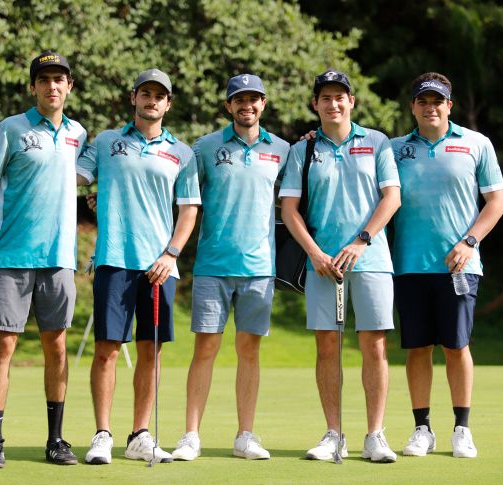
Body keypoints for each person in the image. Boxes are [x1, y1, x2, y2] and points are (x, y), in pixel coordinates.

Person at [0, 50, 86, 468]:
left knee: (57, 346)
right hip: (12, 255)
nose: (53, 85)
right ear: (33, 86)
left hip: (59, 258)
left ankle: (56, 440)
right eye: (45, 79)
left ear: (69, 86)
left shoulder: (78, 135)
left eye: (60, 79)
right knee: (4, 346)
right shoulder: (10, 129)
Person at [76, 68, 201, 465]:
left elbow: (189, 210)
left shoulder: (182, 152)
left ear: (168, 103)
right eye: (145, 93)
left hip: (160, 266)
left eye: (159, 95)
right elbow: (73, 176)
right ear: (134, 98)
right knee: (107, 350)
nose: (152, 100)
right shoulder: (107, 141)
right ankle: (102, 435)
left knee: (152, 351)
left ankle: (140, 435)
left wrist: (171, 253)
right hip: (114, 258)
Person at [280, 69, 400, 463]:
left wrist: (362, 240)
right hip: (323, 265)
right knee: (327, 347)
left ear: (352, 102)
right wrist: (314, 252)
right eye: (326, 97)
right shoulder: (304, 151)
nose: (334, 103)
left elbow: (391, 198)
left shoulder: (377, 142)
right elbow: (290, 209)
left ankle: (375, 435)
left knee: (375, 345)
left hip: (371, 259)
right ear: (315, 104)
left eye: (340, 96)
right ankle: (334, 434)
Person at [170, 74, 290, 462]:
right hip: (212, 265)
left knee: (249, 351)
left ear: (263, 103)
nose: (247, 106)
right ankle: (191, 435)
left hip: (260, 267)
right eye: (239, 100)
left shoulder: (284, 150)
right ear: (228, 106)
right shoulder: (205, 147)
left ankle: (245, 436)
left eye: (254, 99)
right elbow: (183, 199)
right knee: (205, 348)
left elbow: (298, 200)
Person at [390, 72, 503, 459]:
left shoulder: (476, 143)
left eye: (437, 101)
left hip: (460, 265)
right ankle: (422, 428)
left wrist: (470, 241)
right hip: (408, 264)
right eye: (422, 101)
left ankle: (462, 428)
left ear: (449, 106)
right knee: (418, 347)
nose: (430, 107)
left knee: (457, 346)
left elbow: (496, 202)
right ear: (413, 107)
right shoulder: (393, 149)